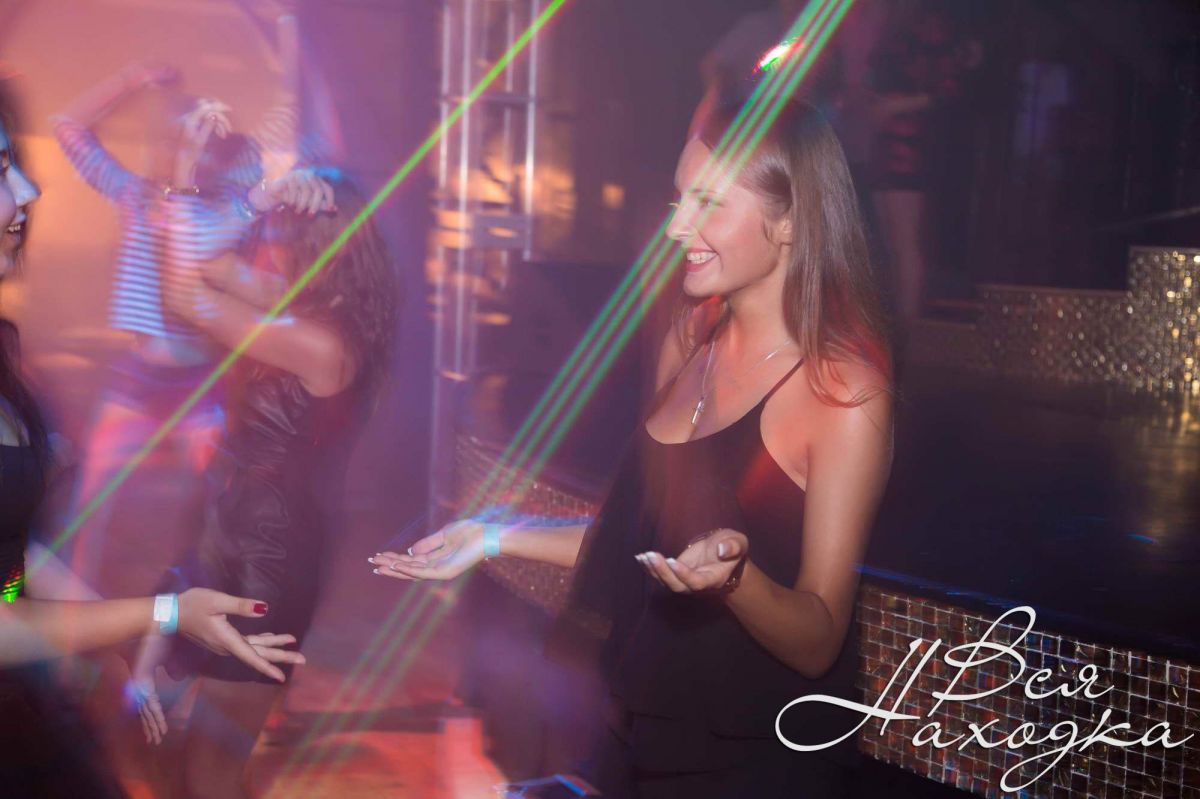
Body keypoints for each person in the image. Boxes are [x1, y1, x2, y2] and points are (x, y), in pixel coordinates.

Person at [373, 99, 894, 797]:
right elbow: (637, 536)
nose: (677, 227)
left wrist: (736, 581)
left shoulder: (842, 395)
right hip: (638, 731)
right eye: (680, 199)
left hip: (751, 763)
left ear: (792, 220)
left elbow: (820, 637)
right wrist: (493, 533)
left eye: (708, 203)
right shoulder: (690, 335)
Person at [0, 81, 303, 798]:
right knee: (88, 514)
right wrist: (134, 84)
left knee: (218, 515)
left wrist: (132, 635)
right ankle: (82, 645)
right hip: (140, 383)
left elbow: (13, 552)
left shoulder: (223, 209)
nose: (29, 190)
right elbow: (73, 130)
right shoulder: (141, 196)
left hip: (197, 386)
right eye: (3, 169)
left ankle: (180, 661)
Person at [131, 167, 398, 799]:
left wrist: (201, 185)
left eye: (276, 234)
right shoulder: (304, 301)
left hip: (262, 568)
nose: (262, 245)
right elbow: (207, 264)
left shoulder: (322, 341)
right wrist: (258, 198)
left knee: (212, 769)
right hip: (224, 535)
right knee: (158, 731)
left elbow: (183, 294)